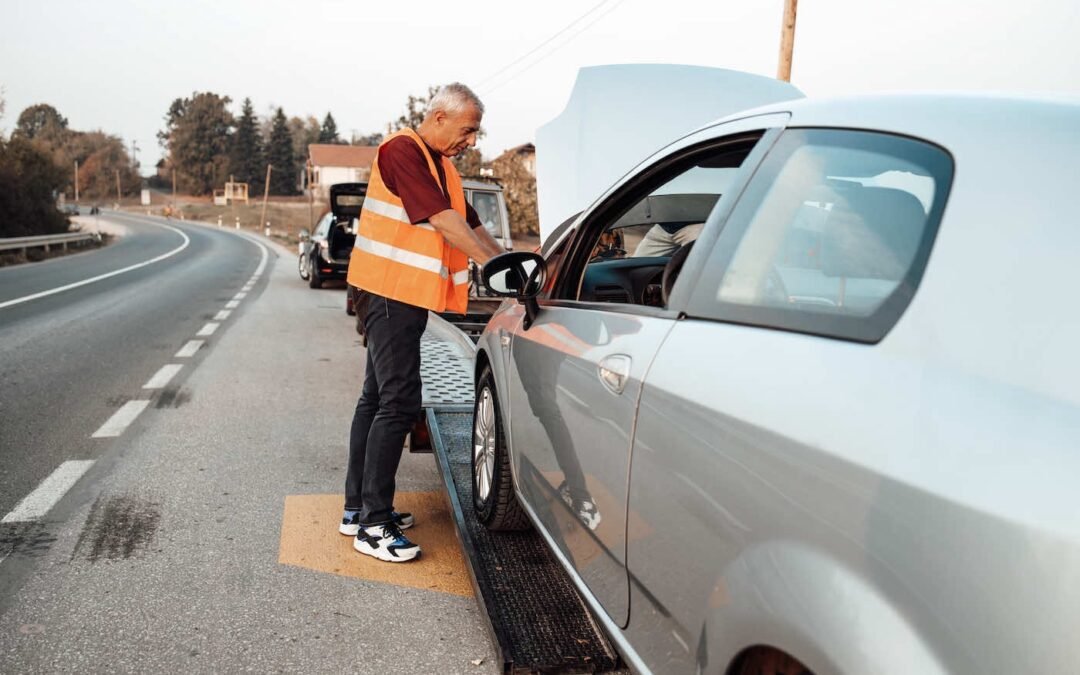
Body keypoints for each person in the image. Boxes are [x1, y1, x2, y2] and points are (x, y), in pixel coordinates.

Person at [341, 83, 504, 563]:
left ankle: (359, 509)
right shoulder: (401, 152)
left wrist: (509, 262)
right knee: (398, 401)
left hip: (401, 296)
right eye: (467, 130)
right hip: (388, 292)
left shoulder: (443, 167)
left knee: (376, 399)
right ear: (438, 117)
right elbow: (445, 223)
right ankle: (373, 524)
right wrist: (496, 271)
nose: (471, 141)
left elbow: (471, 224)